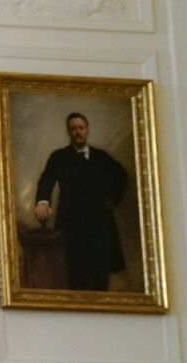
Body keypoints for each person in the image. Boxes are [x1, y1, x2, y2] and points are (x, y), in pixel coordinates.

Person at [32, 112, 127, 291]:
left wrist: (112, 198)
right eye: (74, 128)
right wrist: (43, 201)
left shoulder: (101, 157)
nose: (78, 132)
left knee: (100, 273)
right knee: (74, 273)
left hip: (99, 224)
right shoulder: (59, 157)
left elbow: (121, 176)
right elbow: (46, 180)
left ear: (87, 130)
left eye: (81, 128)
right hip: (72, 224)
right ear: (69, 131)